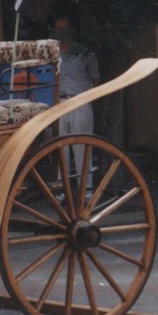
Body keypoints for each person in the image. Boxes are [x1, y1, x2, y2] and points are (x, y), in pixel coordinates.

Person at [53, 15, 100, 190]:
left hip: (79, 101)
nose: (61, 32)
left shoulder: (85, 52)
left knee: (82, 147)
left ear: (71, 30)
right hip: (60, 103)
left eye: (64, 28)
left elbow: (95, 79)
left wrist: (87, 98)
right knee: (60, 149)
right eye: (58, 28)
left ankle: (85, 190)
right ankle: (60, 190)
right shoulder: (53, 53)